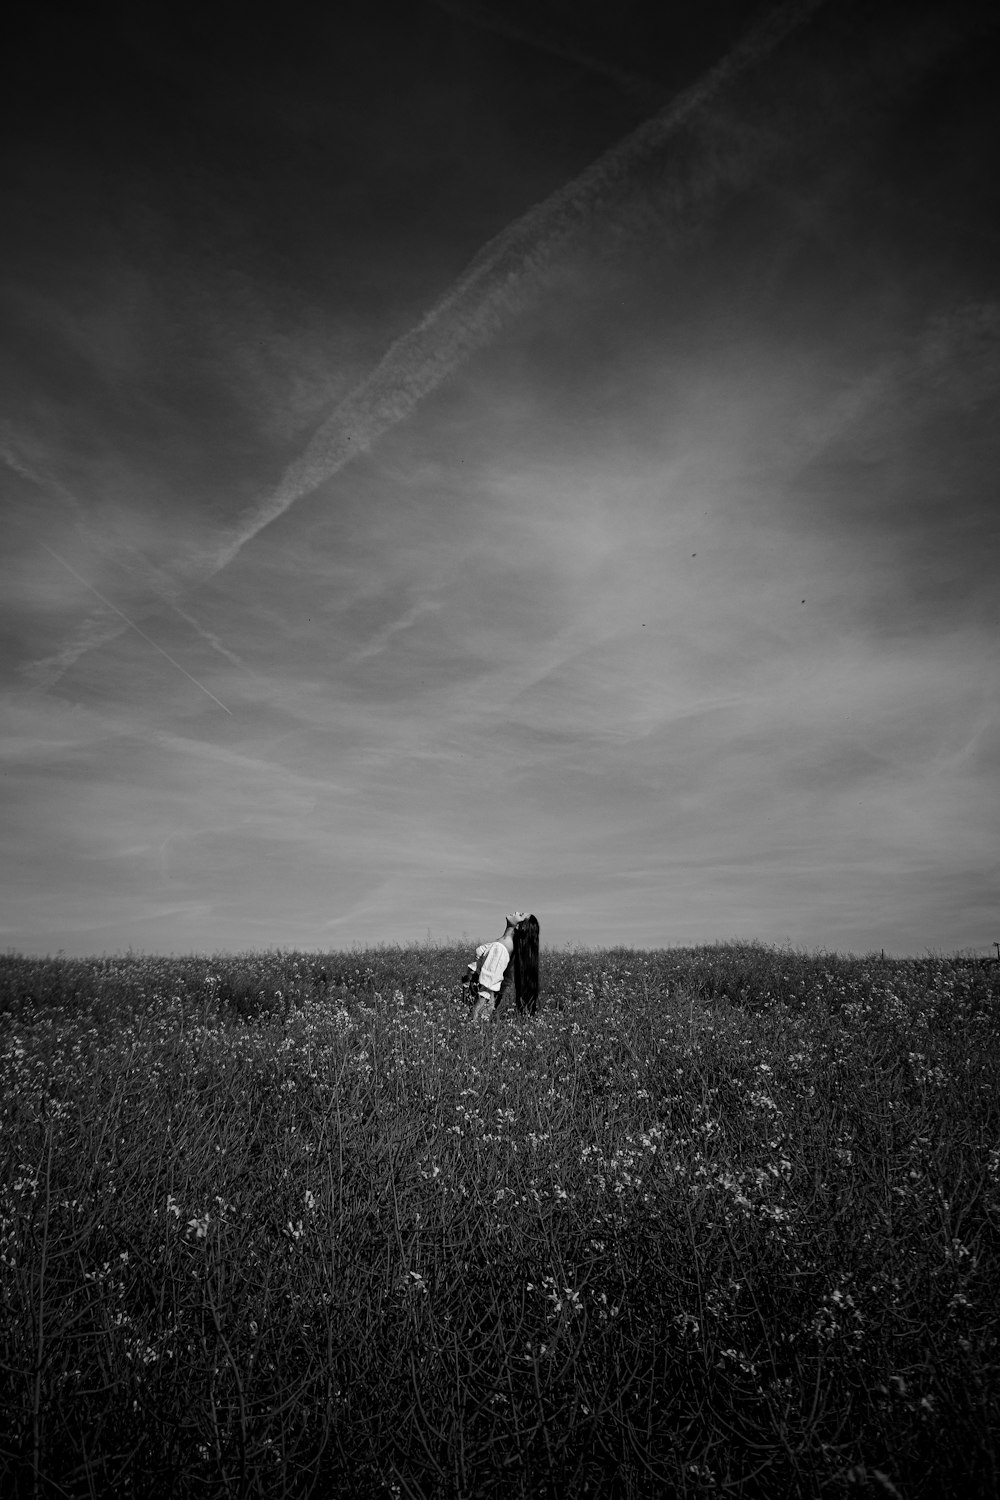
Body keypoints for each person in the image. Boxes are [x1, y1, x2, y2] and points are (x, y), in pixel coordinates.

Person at [468, 912, 539, 1021]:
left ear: (520, 926)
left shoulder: (501, 948)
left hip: (476, 1003)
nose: (516, 912)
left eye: (521, 915)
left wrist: (473, 1023)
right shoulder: (506, 944)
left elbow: (488, 988)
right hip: (472, 995)